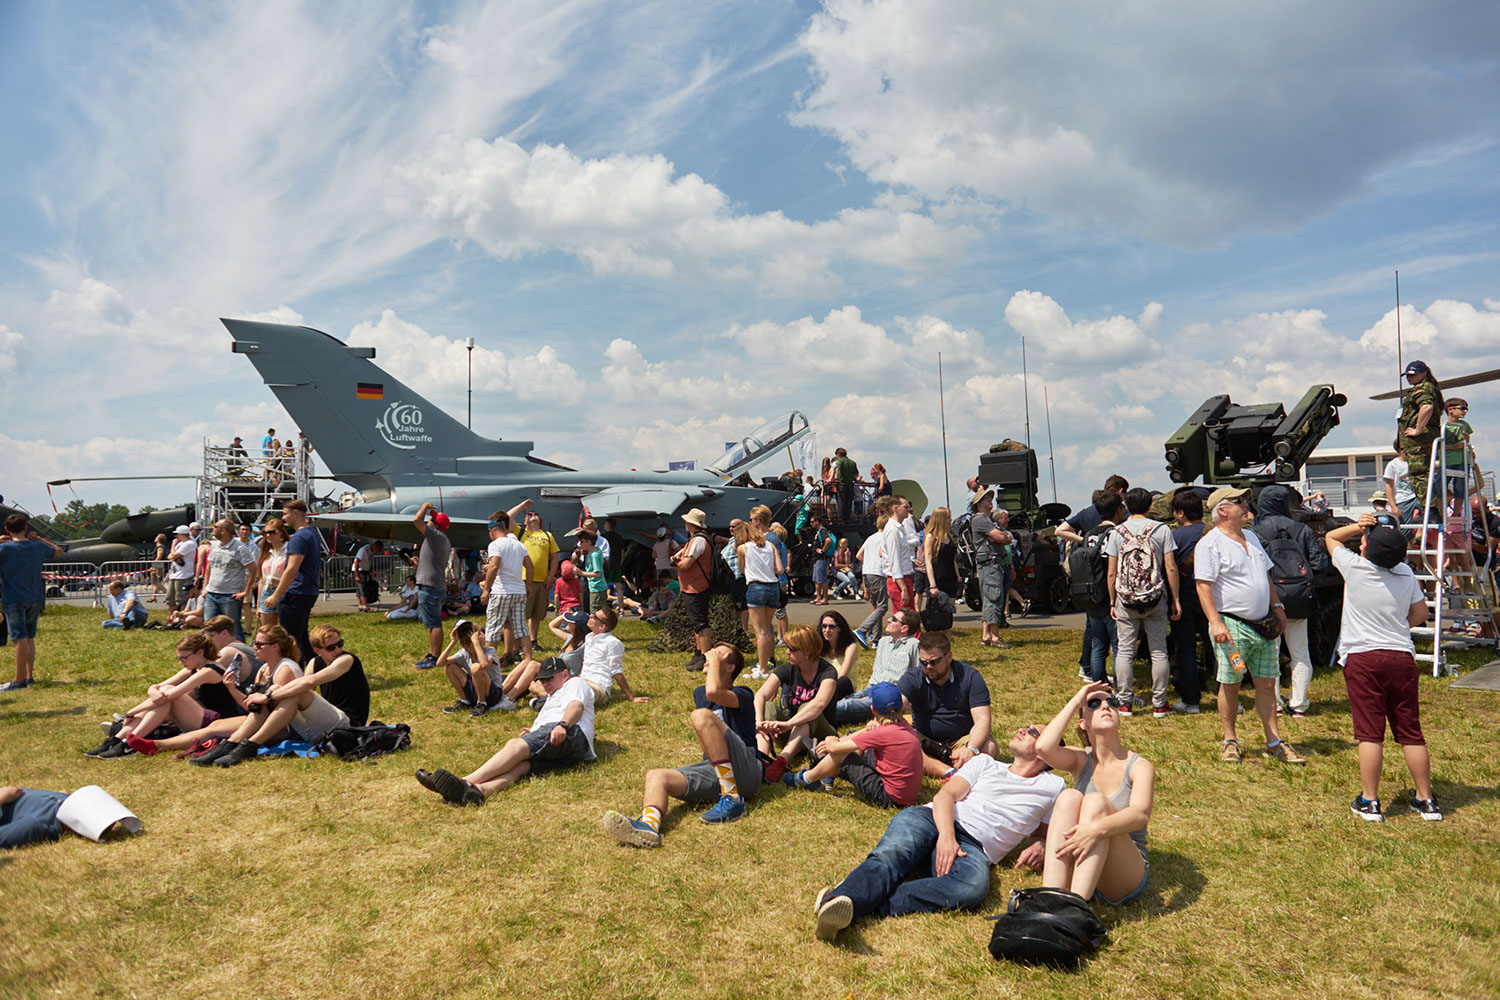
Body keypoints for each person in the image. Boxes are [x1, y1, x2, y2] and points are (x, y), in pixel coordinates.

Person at [812, 722, 1063, 940]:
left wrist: (1040, 845)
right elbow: (945, 796)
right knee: (893, 853)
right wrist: (947, 836)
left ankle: (855, 897)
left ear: (1047, 750)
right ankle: (849, 897)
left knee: (971, 888)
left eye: (1033, 732)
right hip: (933, 818)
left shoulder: (1054, 788)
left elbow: (1043, 831)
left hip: (974, 848)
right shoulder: (986, 763)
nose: (1022, 729)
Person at [1324, 515, 1439, 821]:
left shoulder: (1356, 568)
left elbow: (1331, 538)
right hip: (1401, 656)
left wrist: (1358, 526)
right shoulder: (1405, 573)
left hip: (1363, 657)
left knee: (1370, 733)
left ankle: (1370, 801)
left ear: (1367, 549)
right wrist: (1397, 626)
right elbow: (1420, 612)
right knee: (1410, 731)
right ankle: (1426, 800)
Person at [602, 645, 762, 843]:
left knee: (701, 716)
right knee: (656, 776)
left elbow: (714, 692)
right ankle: (648, 827)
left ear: (730, 667)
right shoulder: (700, 693)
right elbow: (708, 699)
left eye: (719, 654)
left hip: (747, 770)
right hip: (717, 771)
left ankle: (733, 799)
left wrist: (714, 663)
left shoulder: (743, 693)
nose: (708, 655)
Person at [1195, 487, 1307, 765]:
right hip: (1231, 625)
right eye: (1239, 502)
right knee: (1230, 683)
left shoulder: (1253, 538)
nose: (1247, 506)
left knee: (1267, 683)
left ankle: (1273, 741)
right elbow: (1203, 586)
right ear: (1222, 510)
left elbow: (1265, 576)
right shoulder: (1210, 544)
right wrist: (1216, 622)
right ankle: (1230, 740)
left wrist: (1277, 607)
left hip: (1264, 624)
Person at [414, 656, 595, 806]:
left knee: (515, 746)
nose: (546, 684)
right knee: (522, 766)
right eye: (543, 680)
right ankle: (477, 792)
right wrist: (534, 731)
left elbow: (576, 706)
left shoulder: (574, 683)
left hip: (571, 731)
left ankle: (464, 781)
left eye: (550, 678)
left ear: (564, 674)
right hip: (570, 749)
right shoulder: (551, 698)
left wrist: (562, 725)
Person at [1037, 682, 1155, 905]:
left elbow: (1140, 815)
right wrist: (1075, 702)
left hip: (1123, 874)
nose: (1105, 706)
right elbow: (1043, 748)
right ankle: (1050, 899)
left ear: (1119, 719)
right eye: (1094, 704)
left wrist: (1094, 830)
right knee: (1068, 797)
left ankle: (1075, 908)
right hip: (1083, 867)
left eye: (1112, 702)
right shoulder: (1081, 760)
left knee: (1095, 803)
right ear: (1084, 723)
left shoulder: (1139, 766)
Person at [191, 623, 366, 767]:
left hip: (346, 724)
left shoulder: (347, 659)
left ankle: (247, 746)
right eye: (331, 647)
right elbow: (254, 707)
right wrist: (233, 689)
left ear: (275, 646)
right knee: (218, 724)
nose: (338, 649)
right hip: (312, 727)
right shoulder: (311, 662)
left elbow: (308, 684)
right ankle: (233, 744)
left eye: (340, 644)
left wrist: (267, 696)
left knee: (292, 692)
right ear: (317, 650)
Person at [88, 630, 248, 759]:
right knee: (163, 693)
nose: (181, 662)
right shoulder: (195, 667)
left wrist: (131, 712)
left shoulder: (210, 671)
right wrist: (152, 689)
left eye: (184, 657)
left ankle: (127, 743)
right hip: (200, 716)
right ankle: (117, 740)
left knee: (167, 694)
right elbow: (158, 686)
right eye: (179, 658)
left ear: (200, 653)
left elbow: (171, 694)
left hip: (216, 720)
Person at [1252, 485, 1328, 718]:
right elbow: (1319, 563)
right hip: (1299, 599)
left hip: (1270, 601)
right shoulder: (1302, 529)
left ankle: (1274, 703)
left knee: (1269, 655)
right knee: (1300, 653)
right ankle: (1299, 705)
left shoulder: (1256, 532)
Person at [784, 682, 923, 808]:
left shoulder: (881, 733)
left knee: (844, 755)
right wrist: (865, 730)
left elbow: (834, 749)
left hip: (889, 798)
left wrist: (830, 740)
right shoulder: (905, 726)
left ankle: (806, 779)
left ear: (873, 709)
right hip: (907, 796)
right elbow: (866, 738)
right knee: (858, 740)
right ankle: (827, 773)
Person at [1106, 487, 1181, 717]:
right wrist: (1176, 599)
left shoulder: (1117, 532)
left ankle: (1125, 702)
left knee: (1125, 651)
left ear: (1126, 506)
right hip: (1155, 598)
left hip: (1125, 600)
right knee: (1159, 651)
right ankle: (1160, 703)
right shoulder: (1162, 529)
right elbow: (1170, 567)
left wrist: (1112, 601)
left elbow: (1111, 573)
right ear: (1150, 506)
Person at [897, 631, 999, 778]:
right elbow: (897, 705)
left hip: (962, 739)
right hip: (925, 739)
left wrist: (971, 749)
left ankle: (939, 766)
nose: (928, 667)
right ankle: (950, 772)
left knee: (988, 748)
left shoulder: (970, 676)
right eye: (923, 662)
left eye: (934, 661)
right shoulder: (912, 678)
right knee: (902, 742)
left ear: (949, 656)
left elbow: (983, 720)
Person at [755, 624, 839, 781]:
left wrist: (789, 723)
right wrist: (759, 722)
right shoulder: (789, 668)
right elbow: (760, 695)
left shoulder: (828, 672)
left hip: (822, 737)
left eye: (792, 649)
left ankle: (782, 762)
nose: (787, 652)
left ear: (807, 651)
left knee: (807, 708)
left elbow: (819, 704)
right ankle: (762, 761)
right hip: (792, 735)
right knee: (767, 706)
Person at [258, 499, 323, 668]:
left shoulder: (299, 537)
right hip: (308, 592)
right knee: (300, 636)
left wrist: (276, 595)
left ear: (296, 513)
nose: (283, 517)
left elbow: (291, 569)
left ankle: (296, 671)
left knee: (290, 639)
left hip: (296, 593)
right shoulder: (313, 534)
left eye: (285, 513)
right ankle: (316, 667)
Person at [837, 609, 922, 724]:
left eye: (893, 619)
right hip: (871, 689)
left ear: (904, 628)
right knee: (843, 700)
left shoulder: (913, 645)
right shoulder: (884, 642)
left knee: (845, 706)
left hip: (889, 695)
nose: (888, 620)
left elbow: (918, 677)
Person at [1167, 490, 1210, 714]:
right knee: (1220, 648)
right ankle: (1232, 697)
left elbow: (1170, 569)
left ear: (1181, 513)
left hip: (1183, 597)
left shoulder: (1174, 537)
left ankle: (1191, 701)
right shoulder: (1215, 534)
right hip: (1213, 598)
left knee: (1186, 649)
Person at [480, 509, 534, 661]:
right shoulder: (519, 545)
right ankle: (529, 661)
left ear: (491, 531)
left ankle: (489, 662)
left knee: (492, 628)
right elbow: (530, 567)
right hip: (519, 591)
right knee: (521, 629)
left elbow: (495, 566)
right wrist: (527, 585)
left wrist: (486, 590)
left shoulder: (495, 545)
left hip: (502, 591)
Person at [737, 518, 784, 680]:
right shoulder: (770, 546)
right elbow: (780, 569)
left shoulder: (742, 548)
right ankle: (766, 662)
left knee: (760, 632)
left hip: (756, 587)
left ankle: (763, 669)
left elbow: (742, 570)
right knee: (768, 629)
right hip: (773, 587)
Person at [437, 618, 515, 716]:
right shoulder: (464, 653)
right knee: (450, 667)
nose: (480, 639)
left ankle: (482, 704)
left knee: (476, 667)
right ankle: (465, 701)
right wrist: (452, 642)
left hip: (493, 694)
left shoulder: (490, 651)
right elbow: (440, 663)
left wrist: (476, 643)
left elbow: (484, 665)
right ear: (466, 646)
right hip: (476, 690)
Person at [672, 508, 718, 671]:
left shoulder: (698, 540)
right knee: (697, 624)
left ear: (691, 523)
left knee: (701, 624)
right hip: (692, 586)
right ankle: (698, 654)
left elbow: (685, 565)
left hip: (697, 587)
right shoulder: (696, 539)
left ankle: (706, 659)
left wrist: (675, 563)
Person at [967, 489, 1013, 648]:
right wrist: (1003, 537)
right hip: (990, 564)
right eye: (986, 498)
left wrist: (1003, 537)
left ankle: (986, 635)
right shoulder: (981, 520)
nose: (990, 500)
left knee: (990, 599)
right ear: (978, 503)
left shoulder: (989, 520)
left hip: (993, 564)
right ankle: (994, 637)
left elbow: (1005, 537)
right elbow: (1003, 537)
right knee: (994, 598)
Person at [410, 502, 454, 670]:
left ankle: (434, 657)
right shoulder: (441, 539)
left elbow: (416, 520)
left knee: (434, 624)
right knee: (432, 623)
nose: (428, 521)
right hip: (435, 585)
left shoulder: (435, 536)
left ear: (436, 526)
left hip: (430, 587)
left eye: (431, 520)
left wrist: (423, 506)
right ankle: (431, 654)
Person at [202, 518, 259, 642]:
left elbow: (253, 569)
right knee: (208, 628)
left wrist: (245, 591)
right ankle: (211, 655)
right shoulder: (215, 545)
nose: (213, 529)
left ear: (224, 531)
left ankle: (242, 656)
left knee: (233, 630)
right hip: (211, 593)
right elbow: (209, 566)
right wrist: (205, 587)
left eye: (215, 527)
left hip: (230, 596)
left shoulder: (240, 548)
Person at [578, 606, 648, 705]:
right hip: (583, 681)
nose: (590, 616)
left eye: (595, 617)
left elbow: (616, 671)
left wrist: (631, 697)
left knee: (576, 691)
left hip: (598, 686)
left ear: (602, 626)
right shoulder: (589, 637)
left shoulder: (612, 642)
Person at [1398, 360, 1444, 511]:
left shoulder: (1423, 388)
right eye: (1407, 375)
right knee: (1423, 475)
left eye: (1413, 374)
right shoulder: (1428, 387)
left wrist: (1418, 429)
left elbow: (1426, 406)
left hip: (1420, 440)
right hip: (1422, 440)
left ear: (1424, 374)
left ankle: (1430, 511)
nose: (1409, 378)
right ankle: (1430, 509)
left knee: (1420, 475)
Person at [516, 508, 560, 644]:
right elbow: (507, 518)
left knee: (537, 614)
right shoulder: (521, 533)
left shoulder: (547, 535)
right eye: (529, 514)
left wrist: (551, 576)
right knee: (522, 614)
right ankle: (518, 643)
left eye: (535, 514)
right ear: (524, 521)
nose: (533, 515)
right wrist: (522, 506)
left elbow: (554, 557)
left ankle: (533, 641)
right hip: (524, 580)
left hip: (542, 581)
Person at [853, 518, 888, 647]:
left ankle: (876, 638)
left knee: (876, 606)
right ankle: (862, 630)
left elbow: (858, 555)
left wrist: (868, 562)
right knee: (883, 606)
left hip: (867, 572)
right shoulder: (885, 537)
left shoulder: (870, 538)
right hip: (878, 573)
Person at [881, 496, 919, 612]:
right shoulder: (893, 530)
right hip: (898, 580)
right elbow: (894, 562)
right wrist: (903, 588)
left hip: (903, 578)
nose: (909, 509)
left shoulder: (899, 528)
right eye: (906, 507)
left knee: (907, 616)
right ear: (895, 508)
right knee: (903, 617)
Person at [255, 518, 289, 627]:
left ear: (281, 533)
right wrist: (258, 605)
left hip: (284, 590)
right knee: (268, 630)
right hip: (266, 590)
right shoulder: (266, 552)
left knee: (287, 628)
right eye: (265, 533)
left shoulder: (289, 549)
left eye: (272, 532)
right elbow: (261, 580)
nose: (268, 535)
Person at [1442, 397, 1474, 504]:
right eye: (1462, 408)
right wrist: (1454, 446)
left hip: (1462, 461)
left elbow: (1466, 442)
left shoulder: (1464, 425)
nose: (1465, 411)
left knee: (1460, 491)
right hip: (1446, 461)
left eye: (1466, 409)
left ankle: (1456, 514)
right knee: (1440, 489)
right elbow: (1437, 446)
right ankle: (1441, 514)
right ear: (1450, 409)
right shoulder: (1441, 426)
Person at [164, 524, 197, 612]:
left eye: (177, 534)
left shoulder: (189, 544)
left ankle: (181, 619)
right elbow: (170, 556)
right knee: (170, 599)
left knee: (181, 599)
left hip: (184, 575)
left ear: (181, 534)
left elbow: (173, 555)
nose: (177, 536)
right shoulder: (182, 544)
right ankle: (173, 619)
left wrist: (173, 545)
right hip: (175, 574)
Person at [1382, 448, 1419, 524]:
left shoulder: (1416, 462)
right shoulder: (1393, 464)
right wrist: (1393, 506)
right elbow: (1388, 485)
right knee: (1404, 527)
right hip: (1402, 499)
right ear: (1400, 450)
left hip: (1417, 496)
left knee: (1429, 510)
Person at [575, 531, 608, 615]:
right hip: (597, 588)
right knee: (600, 613)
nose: (580, 544)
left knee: (594, 613)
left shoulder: (594, 556)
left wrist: (581, 573)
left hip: (597, 588)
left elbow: (598, 574)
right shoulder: (595, 550)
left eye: (582, 541)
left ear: (588, 542)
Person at [809, 515, 836, 605]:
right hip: (817, 559)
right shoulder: (818, 531)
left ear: (817, 522)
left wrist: (822, 550)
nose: (811, 524)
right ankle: (818, 597)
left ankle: (825, 598)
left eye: (812, 522)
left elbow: (828, 540)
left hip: (822, 558)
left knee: (822, 579)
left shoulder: (822, 530)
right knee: (816, 579)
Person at [352, 538, 382, 612]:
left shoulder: (371, 551)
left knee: (359, 589)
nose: (379, 551)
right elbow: (356, 562)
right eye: (379, 549)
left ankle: (360, 605)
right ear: (375, 546)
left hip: (365, 570)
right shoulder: (363, 550)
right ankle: (364, 606)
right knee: (363, 588)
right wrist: (357, 575)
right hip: (359, 570)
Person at [832, 446, 860, 523]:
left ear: (838, 454)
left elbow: (838, 469)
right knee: (849, 502)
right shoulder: (853, 463)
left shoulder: (840, 461)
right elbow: (856, 474)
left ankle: (841, 520)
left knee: (841, 502)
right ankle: (847, 519)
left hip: (842, 483)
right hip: (850, 484)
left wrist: (837, 479)